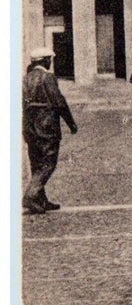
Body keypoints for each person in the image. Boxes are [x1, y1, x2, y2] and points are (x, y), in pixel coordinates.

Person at [22, 47, 78, 215]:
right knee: (48, 162)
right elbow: (59, 102)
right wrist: (71, 123)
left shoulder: (25, 79)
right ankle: (31, 195)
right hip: (47, 126)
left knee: (36, 162)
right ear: (46, 60)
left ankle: (41, 200)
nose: (50, 62)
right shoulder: (48, 77)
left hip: (29, 127)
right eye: (49, 59)